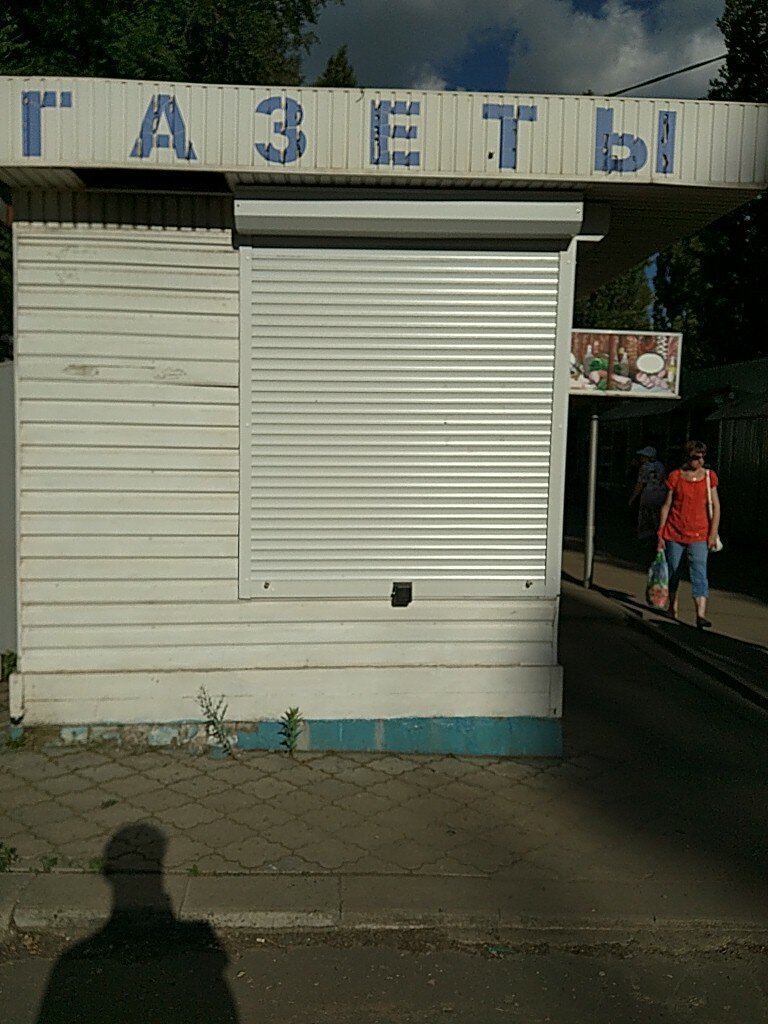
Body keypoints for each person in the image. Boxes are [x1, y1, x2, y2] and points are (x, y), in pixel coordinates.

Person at [656, 440, 721, 629]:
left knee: (699, 572)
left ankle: (700, 614)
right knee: (674, 570)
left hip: (700, 534)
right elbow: (667, 505)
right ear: (687, 457)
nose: (700, 461)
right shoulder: (675, 476)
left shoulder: (709, 477)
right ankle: (672, 606)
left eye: (702, 457)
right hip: (674, 532)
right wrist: (660, 533)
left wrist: (713, 533)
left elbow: (716, 507)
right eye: (695, 457)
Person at [628, 445, 667, 544]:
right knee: (657, 515)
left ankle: (646, 537)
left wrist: (632, 498)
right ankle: (658, 534)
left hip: (649, 492)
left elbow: (640, 483)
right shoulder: (660, 465)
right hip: (661, 492)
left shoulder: (645, 467)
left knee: (645, 515)